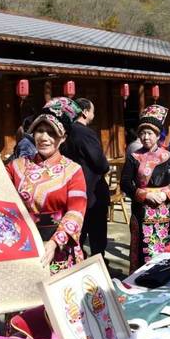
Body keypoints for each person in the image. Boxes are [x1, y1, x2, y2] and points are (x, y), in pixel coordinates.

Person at [6, 97, 87, 274]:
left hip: (59, 248)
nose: (44, 137)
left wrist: (54, 243)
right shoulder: (16, 167)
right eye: (39, 131)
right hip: (23, 246)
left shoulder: (73, 170)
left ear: (63, 137)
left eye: (52, 133)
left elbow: (76, 212)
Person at [120, 105, 170, 272]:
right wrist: (143, 195)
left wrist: (166, 194)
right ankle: (143, 275)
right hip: (142, 209)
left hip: (165, 210)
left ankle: (165, 273)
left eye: (150, 133)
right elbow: (125, 183)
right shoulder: (134, 157)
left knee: (165, 243)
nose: (145, 137)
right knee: (142, 245)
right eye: (142, 133)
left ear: (157, 135)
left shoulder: (168, 156)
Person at [60, 98, 110, 259]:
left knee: (77, 232)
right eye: (93, 111)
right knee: (96, 234)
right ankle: (98, 264)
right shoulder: (84, 132)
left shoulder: (66, 131)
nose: (93, 114)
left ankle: (76, 262)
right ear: (85, 112)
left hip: (72, 189)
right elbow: (100, 163)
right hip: (91, 191)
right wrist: (105, 166)